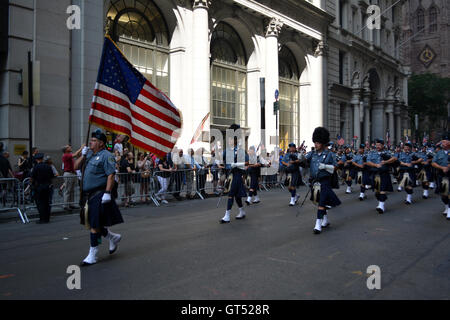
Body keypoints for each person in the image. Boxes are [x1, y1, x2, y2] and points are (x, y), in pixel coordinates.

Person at [74, 129, 123, 266]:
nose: (91, 142)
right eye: (91, 140)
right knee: (92, 222)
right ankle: (113, 237)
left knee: (94, 224)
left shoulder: (107, 156)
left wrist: (107, 192)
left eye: (94, 140)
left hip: (99, 193)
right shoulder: (88, 154)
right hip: (87, 195)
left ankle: (93, 254)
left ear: (101, 143)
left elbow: (111, 175)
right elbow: (75, 166)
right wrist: (82, 156)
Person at [305, 127, 341, 234]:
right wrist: (300, 158)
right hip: (314, 181)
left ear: (323, 143)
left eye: (318, 142)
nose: (316, 144)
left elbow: (335, 167)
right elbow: (304, 161)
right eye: (315, 142)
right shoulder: (312, 153)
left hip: (325, 181)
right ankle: (325, 220)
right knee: (318, 201)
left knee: (321, 203)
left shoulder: (330, 154)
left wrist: (325, 166)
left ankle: (318, 224)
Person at [220, 124, 249, 224]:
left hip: (237, 174)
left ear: (236, 140)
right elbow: (220, 160)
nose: (230, 141)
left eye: (232, 139)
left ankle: (227, 215)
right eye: (229, 139)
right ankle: (242, 211)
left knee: (231, 193)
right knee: (237, 196)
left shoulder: (240, 151)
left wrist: (236, 163)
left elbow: (247, 163)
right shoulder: (226, 151)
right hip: (229, 175)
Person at [365, 139, 398, 214]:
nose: (377, 146)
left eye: (379, 145)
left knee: (382, 189)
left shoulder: (387, 152)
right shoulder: (372, 152)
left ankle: (381, 206)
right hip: (375, 174)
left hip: (384, 173)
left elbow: (395, 158)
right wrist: (375, 165)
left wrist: (386, 161)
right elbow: (368, 161)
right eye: (376, 145)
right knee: (377, 192)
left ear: (383, 145)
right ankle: (381, 201)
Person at [30, 153, 55, 224]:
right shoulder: (48, 166)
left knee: (40, 203)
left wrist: (31, 184)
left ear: (37, 159)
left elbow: (32, 177)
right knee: (47, 202)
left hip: (39, 186)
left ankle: (42, 218)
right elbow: (52, 175)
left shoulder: (36, 167)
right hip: (47, 186)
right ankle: (47, 218)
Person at [432, 133, 450, 220]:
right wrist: (442, 167)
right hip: (441, 175)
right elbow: (433, 163)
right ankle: (446, 206)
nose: (442, 143)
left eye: (444, 142)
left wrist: (448, 167)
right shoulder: (439, 153)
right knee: (443, 194)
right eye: (442, 142)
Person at [62, 145, 83, 210]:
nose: (70, 147)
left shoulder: (69, 154)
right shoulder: (66, 155)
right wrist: (81, 148)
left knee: (72, 190)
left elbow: (77, 155)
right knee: (68, 190)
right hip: (68, 173)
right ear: (66, 149)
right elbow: (76, 154)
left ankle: (71, 204)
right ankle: (65, 205)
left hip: (72, 173)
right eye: (69, 147)